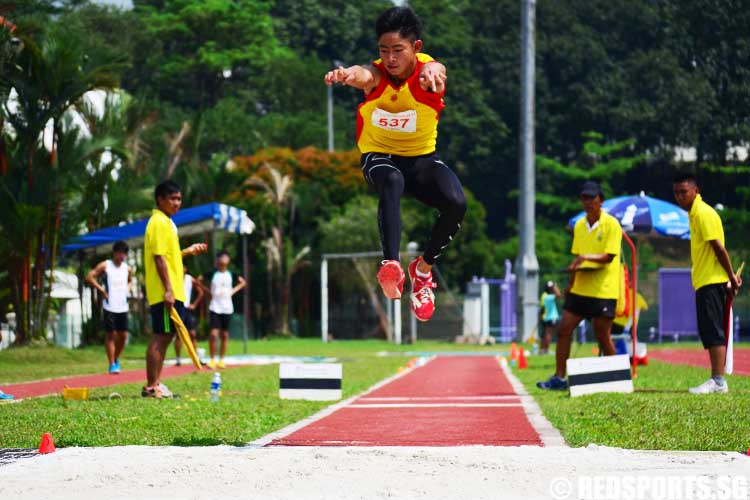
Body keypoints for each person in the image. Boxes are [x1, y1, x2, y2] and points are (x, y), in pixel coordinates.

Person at [323, 6, 466, 322]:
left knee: (456, 202)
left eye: (397, 51)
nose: (390, 58)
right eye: (384, 50)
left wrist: (435, 73)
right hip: (380, 158)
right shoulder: (376, 74)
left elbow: (437, 72)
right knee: (392, 181)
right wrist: (347, 74)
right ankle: (391, 265)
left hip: (422, 160)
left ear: (415, 48)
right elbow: (364, 74)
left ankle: (423, 269)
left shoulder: (428, 73)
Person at [537, 181, 622, 390]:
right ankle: (558, 377)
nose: (587, 202)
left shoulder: (612, 224)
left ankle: (618, 377)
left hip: (603, 288)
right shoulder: (579, 226)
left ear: (600, 200)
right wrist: (570, 284)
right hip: (580, 289)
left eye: (592, 198)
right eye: (584, 198)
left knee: (602, 334)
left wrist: (585, 257)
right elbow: (577, 259)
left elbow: (609, 256)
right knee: (564, 330)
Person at [673, 174, 741, 394]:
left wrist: (731, 277)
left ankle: (718, 381)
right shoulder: (694, 214)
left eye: (684, 192)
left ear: (696, 191)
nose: (680, 197)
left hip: (712, 281)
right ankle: (717, 379)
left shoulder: (702, 213)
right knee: (709, 330)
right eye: (676, 193)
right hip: (704, 280)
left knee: (713, 330)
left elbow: (719, 248)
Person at [143, 180, 208, 398]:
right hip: (165, 291)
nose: (177, 203)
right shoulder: (159, 222)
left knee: (167, 335)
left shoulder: (168, 223)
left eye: (179, 199)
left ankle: (156, 384)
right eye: (173, 199)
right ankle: (152, 386)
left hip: (174, 290)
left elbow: (169, 256)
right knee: (161, 336)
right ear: (160, 199)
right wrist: (168, 289)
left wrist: (187, 252)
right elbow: (159, 258)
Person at [85, 240, 133, 374]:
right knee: (111, 334)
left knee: (123, 336)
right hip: (109, 306)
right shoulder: (106, 265)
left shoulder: (127, 268)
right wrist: (101, 290)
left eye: (124, 254)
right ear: (114, 253)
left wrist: (127, 289)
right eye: (120, 253)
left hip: (123, 306)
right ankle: (112, 364)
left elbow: (130, 281)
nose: (122, 256)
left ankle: (115, 357)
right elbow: (89, 277)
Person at [201, 251, 246, 369]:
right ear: (218, 260)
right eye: (221, 257)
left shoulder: (231, 274)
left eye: (226, 256)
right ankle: (212, 359)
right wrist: (207, 291)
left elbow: (243, 282)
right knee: (213, 334)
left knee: (225, 334)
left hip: (227, 307)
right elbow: (198, 280)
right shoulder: (212, 273)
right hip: (215, 306)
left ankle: (221, 359)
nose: (224, 259)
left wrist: (232, 291)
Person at [174, 265, 204, 366]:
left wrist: (194, 304)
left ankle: (195, 357)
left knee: (192, 334)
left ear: (186, 269)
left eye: (183, 267)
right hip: (178, 308)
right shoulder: (174, 277)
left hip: (187, 309)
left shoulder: (189, 279)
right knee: (179, 335)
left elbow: (200, 292)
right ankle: (178, 359)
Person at [539, 281, 561, 354]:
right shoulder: (549, 297)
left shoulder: (543, 295)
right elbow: (558, 294)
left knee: (544, 334)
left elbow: (542, 308)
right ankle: (546, 350)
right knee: (549, 334)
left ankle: (542, 349)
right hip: (551, 317)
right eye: (551, 288)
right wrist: (555, 286)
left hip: (545, 317)